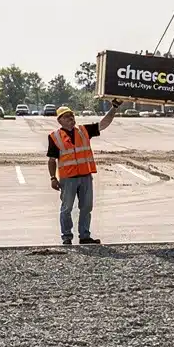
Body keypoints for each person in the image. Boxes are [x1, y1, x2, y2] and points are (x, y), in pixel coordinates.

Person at [47, 102, 119, 245]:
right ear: (59, 120)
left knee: (86, 208)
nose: (70, 118)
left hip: (85, 176)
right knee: (66, 208)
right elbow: (52, 160)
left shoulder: (83, 130)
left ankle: (84, 236)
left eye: (72, 115)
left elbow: (103, 124)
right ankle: (66, 237)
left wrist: (114, 108)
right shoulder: (55, 137)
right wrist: (53, 178)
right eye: (66, 116)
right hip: (68, 178)